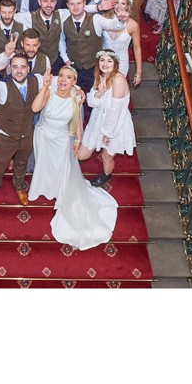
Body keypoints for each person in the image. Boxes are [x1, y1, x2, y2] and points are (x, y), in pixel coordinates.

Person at [29, 66, 118, 250]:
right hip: (44, 136)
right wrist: (45, 87)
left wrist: (78, 139)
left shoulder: (76, 97)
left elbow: (76, 119)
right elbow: (35, 107)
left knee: (61, 166)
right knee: (45, 164)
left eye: (68, 77)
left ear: (73, 81)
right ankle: (44, 186)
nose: (63, 80)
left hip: (62, 139)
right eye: (61, 76)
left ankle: (59, 189)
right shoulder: (50, 92)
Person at [0, 52, 38, 206]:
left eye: (23, 67)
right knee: (0, 164)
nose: (19, 71)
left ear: (28, 68)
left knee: (21, 163)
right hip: (6, 136)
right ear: (10, 69)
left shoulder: (35, 80)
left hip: (27, 134)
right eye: (15, 67)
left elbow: (57, 83)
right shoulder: (2, 86)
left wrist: (77, 90)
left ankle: (18, 186)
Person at [79, 51, 137, 187]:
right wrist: (100, 92)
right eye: (102, 60)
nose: (105, 64)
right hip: (98, 120)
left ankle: (106, 175)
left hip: (115, 124)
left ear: (115, 64)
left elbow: (115, 111)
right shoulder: (100, 76)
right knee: (82, 154)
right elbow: (91, 102)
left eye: (109, 61)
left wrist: (108, 134)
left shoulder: (119, 80)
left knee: (106, 156)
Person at [102, 0, 143, 85]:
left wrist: (138, 72)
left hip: (121, 63)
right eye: (116, 2)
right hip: (103, 62)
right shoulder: (104, 18)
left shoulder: (133, 25)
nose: (119, 6)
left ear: (127, 6)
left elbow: (137, 49)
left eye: (123, 3)